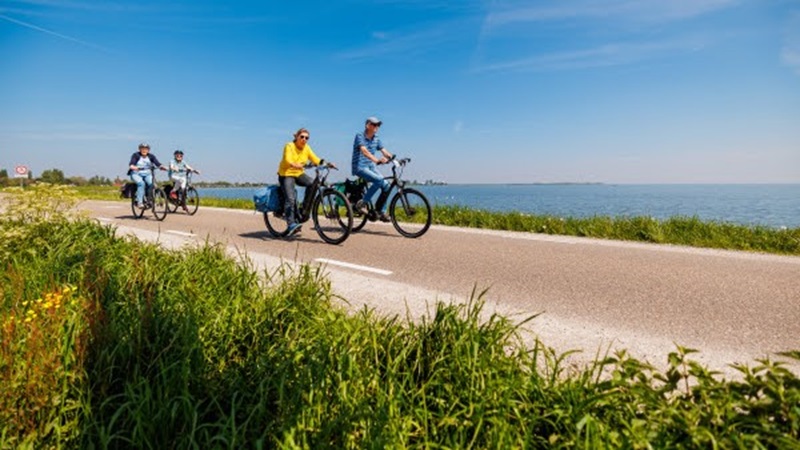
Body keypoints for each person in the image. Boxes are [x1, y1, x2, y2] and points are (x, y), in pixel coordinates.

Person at [277, 128, 337, 236]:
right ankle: (291, 224)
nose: (304, 139)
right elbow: (287, 159)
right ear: (296, 137)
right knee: (290, 198)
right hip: (286, 174)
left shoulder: (307, 148)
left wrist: (327, 164)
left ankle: (304, 209)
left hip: (298, 174)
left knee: (312, 184)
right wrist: (294, 164)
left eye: (307, 138)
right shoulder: (289, 146)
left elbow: (316, 159)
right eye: (302, 137)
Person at [351, 116, 393, 222]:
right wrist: (377, 160)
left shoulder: (376, 138)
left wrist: (392, 158)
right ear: (367, 125)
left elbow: (384, 151)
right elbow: (364, 151)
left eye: (378, 125)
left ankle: (381, 211)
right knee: (379, 180)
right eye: (374, 124)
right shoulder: (359, 136)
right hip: (360, 167)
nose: (376, 127)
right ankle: (362, 203)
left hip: (370, 166)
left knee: (387, 186)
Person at [127, 143, 166, 209]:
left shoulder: (151, 156)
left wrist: (162, 167)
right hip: (136, 174)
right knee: (141, 184)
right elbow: (131, 164)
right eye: (142, 149)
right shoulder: (136, 155)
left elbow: (158, 163)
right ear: (139, 149)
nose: (144, 150)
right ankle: (139, 202)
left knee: (152, 184)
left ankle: (149, 199)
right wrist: (134, 167)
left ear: (148, 150)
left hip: (147, 174)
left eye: (146, 149)